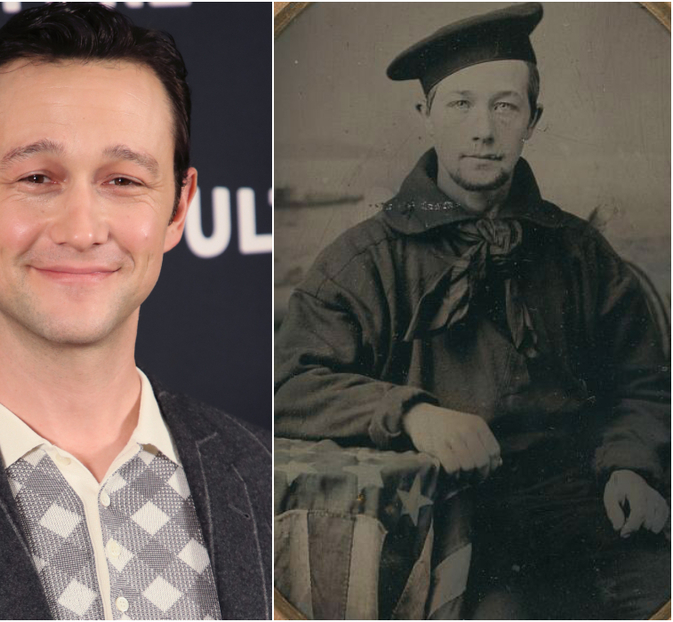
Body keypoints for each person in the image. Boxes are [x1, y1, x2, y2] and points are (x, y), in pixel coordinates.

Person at [275, 3, 669, 618]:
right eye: (460, 104)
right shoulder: (365, 260)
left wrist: (631, 468)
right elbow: (287, 384)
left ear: (533, 120)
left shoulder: (580, 252)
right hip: (452, 524)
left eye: (505, 106)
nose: (483, 129)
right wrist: (412, 414)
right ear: (425, 116)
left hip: (590, 509)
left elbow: (642, 384)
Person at [0, 4, 270, 620]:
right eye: (37, 177)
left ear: (178, 207)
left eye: (123, 181)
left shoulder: (268, 476)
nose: (82, 229)